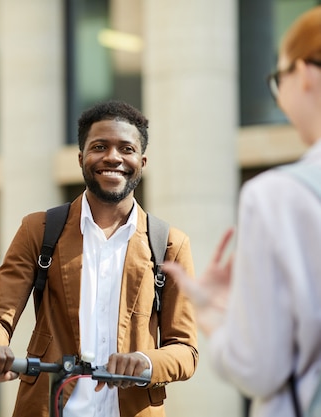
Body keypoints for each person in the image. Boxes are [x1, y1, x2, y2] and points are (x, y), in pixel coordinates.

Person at [0, 100, 198, 417]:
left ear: (142, 161)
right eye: (100, 146)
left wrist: (146, 362)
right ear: (81, 158)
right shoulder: (40, 230)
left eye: (126, 149)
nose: (113, 157)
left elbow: (185, 351)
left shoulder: (169, 244)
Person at [160, 7, 321, 417]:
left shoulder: (278, 196)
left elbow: (260, 369)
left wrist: (214, 316)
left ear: (304, 73)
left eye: (277, 80)